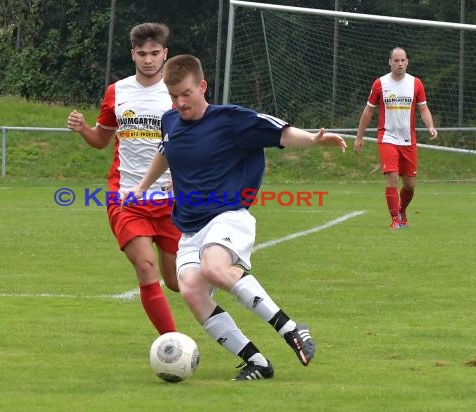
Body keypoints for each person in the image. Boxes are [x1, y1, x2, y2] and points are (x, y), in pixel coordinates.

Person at [122, 54, 347, 380]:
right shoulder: (170, 121)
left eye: (186, 94)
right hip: (189, 226)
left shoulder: (232, 120)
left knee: (214, 268)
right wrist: (143, 186)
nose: (180, 103)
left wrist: (312, 140)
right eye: (173, 96)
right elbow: (166, 150)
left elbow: (280, 133)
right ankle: (256, 361)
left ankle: (291, 328)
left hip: (228, 215)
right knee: (191, 291)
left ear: (202, 86)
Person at [67, 23, 180, 335]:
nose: (148, 59)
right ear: (133, 54)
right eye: (142, 53)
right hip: (126, 198)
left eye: (154, 53)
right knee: (146, 268)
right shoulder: (116, 92)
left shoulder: (177, 93)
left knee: (174, 281)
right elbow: (101, 140)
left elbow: (193, 141)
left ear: (165, 54)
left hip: (171, 200)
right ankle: (172, 344)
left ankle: (209, 290)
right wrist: (83, 130)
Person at [354, 47, 438, 230]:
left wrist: (430, 125)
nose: (399, 64)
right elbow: (368, 111)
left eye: (403, 60)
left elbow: (423, 108)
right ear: (390, 62)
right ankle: (395, 220)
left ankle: (401, 210)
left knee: (409, 185)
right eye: (396, 60)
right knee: (391, 177)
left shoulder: (416, 84)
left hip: (408, 140)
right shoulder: (380, 84)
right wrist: (359, 137)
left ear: (407, 62)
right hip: (387, 138)